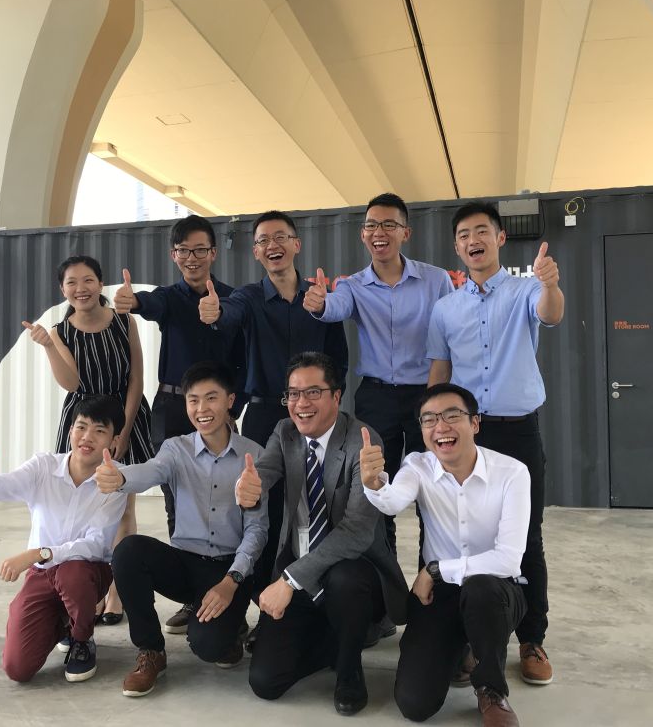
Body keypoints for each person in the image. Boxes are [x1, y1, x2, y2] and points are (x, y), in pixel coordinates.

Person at [427, 201, 564, 686]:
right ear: (457, 246)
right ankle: (469, 636)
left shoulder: (526, 289)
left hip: (518, 430)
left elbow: (550, 314)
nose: (473, 241)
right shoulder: (446, 308)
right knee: (463, 532)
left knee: (528, 536)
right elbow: (440, 371)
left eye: (482, 231)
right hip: (467, 434)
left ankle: (531, 638)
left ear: (500, 238)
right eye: (464, 235)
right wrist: (432, 428)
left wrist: (550, 284)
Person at [198, 210, 349, 642]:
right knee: (266, 513)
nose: (272, 245)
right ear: (256, 252)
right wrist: (214, 312)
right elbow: (227, 315)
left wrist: (328, 406)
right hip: (266, 417)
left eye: (280, 237)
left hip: (316, 415)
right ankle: (266, 611)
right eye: (263, 240)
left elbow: (339, 360)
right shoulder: (247, 298)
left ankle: (322, 606)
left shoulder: (319, 297)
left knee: (319, 508)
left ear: (296, 244)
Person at [237, 352, 407, 716]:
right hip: (302, 566)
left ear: (336, 395)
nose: (301, 403)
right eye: (293, 393)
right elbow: (264, 471)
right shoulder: (285, 432)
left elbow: (356, 532)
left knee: (344, 578)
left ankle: (349, 668)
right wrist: (250, 488)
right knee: (265, 681)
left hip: (355, 573)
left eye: (313, 392)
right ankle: (336, 639)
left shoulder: (363, 441)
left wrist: (289, 580)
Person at [94, 361, 266, 697]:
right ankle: (151, 651)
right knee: (128, 551)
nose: (202, 409)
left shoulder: (254, 456)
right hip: (185, 564)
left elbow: (258, 530)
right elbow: (151, 471)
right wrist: (121, 477)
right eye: (193, 400)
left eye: (211, 398)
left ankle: (230, 630)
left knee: (209, 647)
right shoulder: (176, 449)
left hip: (228, 571)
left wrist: (231, 581)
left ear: (230, 401)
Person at [362, 383, 530, 726]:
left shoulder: (512, 473)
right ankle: (461, 649)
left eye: (452, 415)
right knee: (415, 704)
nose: (440, 426)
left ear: (475, 423)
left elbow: (508, 559)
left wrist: (435, 569)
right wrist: (373, 482)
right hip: (438, 596)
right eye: (429, 419)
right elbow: (392, 501)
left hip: (495, 591)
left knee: (481, 589)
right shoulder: (417, 466)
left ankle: (491, 689)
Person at [113, 215, 247, 634]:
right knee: (177, 497)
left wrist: (235, 405)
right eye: (184, 250)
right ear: (174, 255)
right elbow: (149, 304)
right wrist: (132, 301)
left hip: (219, 411)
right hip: (173, 407)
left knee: (226, 495)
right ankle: (192, 594)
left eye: (200, 249)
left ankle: (226, 583)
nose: (192, 257)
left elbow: (241, 357)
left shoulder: (232, 300)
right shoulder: (169, 298)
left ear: (213, 252)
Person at [303, 191, 453, 559]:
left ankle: (434, 575)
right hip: (376, 397)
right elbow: (335, 307)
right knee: (375, 487)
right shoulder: (352, 285)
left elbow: (452, 334)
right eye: (371, 225)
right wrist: (320, 304)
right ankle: (385, 582)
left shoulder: (436, 281)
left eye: (388, 224)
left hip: (426, 394)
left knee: (433, 488)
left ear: (406, 233)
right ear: (363, 234)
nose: (378, 232)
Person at [0, 395, 130, 684]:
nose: (87, 437)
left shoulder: (115, 481)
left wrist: (40, 553)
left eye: (99, 430)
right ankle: (63, 622)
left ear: (114, 441)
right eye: (81, 427)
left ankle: (82, 639)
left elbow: (95, 544)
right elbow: (8, 484)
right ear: (70, 431)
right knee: (17, 668)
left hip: (87, 574)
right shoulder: (43, 467)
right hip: (42, 576)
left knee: (72, 573)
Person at [23, 254, 156, 626]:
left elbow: (136, 379)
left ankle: (117, 591)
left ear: (100, 283)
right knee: (81, 509)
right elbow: (71, 383)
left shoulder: (124, 320)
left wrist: (124, 431)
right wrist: (48, 346)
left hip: (126, 416)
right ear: (62, 289)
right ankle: (90, 588)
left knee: (123, 509)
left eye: (87, 280)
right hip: (83, 422)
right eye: (71, 282)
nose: (80, 289)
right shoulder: (60, 332)